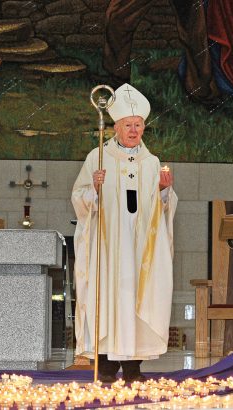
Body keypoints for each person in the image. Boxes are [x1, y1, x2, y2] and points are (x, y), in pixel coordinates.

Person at [72, 83, 178, 383]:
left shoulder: (152, 162)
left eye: (139, 124)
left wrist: (163, 189)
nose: (134, 130)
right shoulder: (98, 157)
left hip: (140, 248)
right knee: (108, 298)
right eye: (128, 125)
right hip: (110, 248)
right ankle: (106, 366)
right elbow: (79, 199)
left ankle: (133, 368)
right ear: (116, 127)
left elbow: (162, 208)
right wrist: (92, 186)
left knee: (137, 301)